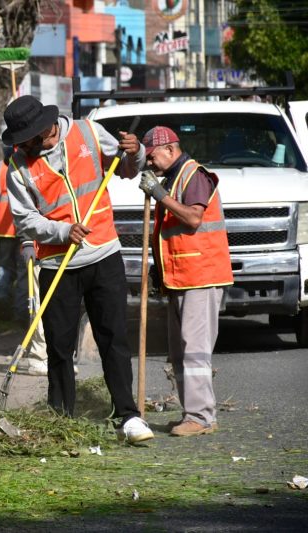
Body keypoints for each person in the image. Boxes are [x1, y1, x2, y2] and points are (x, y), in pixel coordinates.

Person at [2, 95, 153, 444]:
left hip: (103, 254)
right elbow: (25, 220)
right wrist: (60, 230)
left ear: (44, 130)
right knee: (59, 347)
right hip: (57, 264)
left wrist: (135, 152)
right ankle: (61, 420)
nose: (22, 145)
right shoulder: (19, 166)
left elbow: (128, 170)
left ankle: (127, 416)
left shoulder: (87, 133)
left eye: (25, 138)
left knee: (113, 339)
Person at [139, 126, 233, 437]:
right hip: (180, 278)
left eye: (152, 156)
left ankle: (201, 417)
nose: (149, 163)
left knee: (194, 350)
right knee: (180, 352)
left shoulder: (194, 175)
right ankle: (194, 414)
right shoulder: (174, 178)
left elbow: (193, 219)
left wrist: (159, 194)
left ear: (169, 149)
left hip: (201, 275)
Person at [0, 147, 49, 376]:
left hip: (2, 230)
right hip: (23, 231)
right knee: (24, 275)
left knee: (3, 270)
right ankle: (21, 314)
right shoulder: (30, 167)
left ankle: (1, 302)